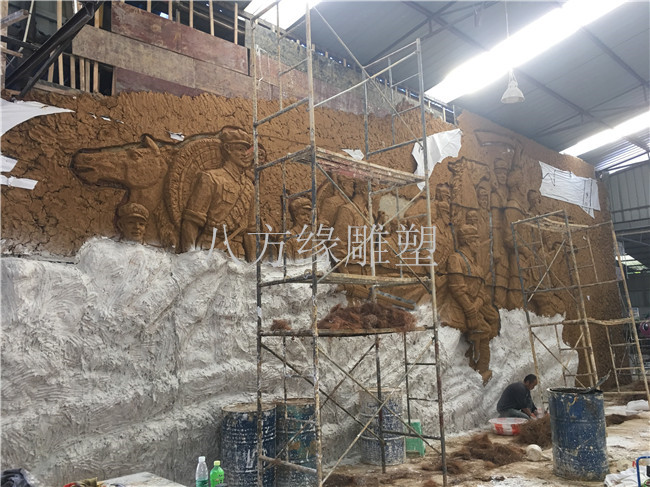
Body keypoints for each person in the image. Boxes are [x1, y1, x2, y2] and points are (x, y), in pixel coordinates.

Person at [180, 127, 255, 258]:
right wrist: (190, 258)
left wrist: (253, 262)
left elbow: (250, 231)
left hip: (238, 253)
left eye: (247, 151)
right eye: (240, 149)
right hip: (210, 248)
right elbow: (191, 222)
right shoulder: (211, 178)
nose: (245, 155)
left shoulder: (249, 187)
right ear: (227, 149)